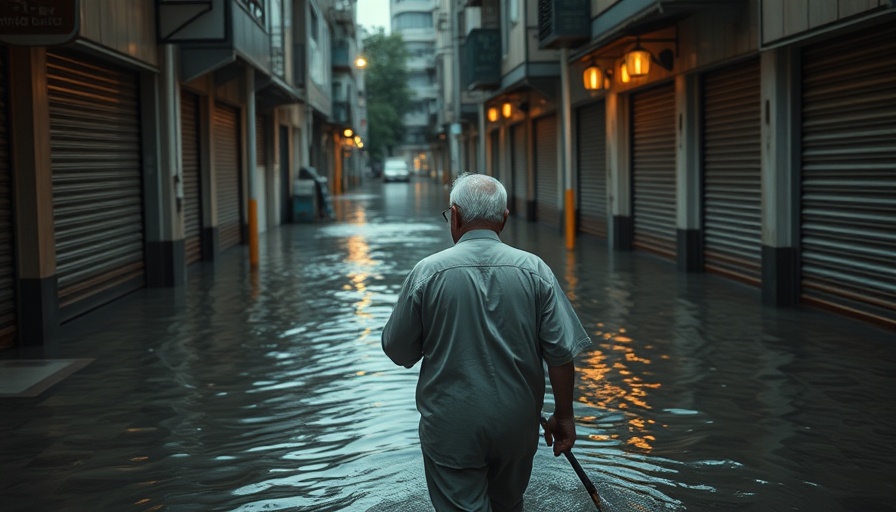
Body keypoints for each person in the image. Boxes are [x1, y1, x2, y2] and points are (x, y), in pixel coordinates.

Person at [382, 173, 592, 511]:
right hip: (517, 425)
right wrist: (564, 416)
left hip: (452, 425)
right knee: (508, 504)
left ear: (456, 215)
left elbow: (398, 350)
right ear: (504, 219)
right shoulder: (536, 271)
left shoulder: (427, 273)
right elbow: (561, 355)